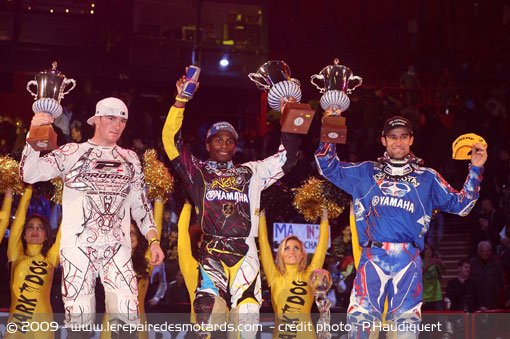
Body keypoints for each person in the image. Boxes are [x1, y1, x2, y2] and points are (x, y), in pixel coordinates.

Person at [314, 115, 487, 338]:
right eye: (393, 137)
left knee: (407, 327)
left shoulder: (428, 177)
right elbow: (326, 166)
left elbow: (462, 206)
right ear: (383, 140)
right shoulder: (366, 172)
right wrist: (333, 121)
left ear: (411, 140)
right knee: (360, 322)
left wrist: (476, 168)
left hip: (409, 259)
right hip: (372, 256)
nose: (398, 142)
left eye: (403, 137)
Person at [162, 70, 300, 339]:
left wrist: (290, 115)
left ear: (235, 146)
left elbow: (289, 158)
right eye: (218, 139)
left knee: (247, 327)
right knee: (207, 320)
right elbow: (171, 141)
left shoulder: (252, 172)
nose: (224, 144)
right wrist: (180, 101)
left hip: (245, 254)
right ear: (208, 143)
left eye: (229, 140)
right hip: (212, 252)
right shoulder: (197, 172)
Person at [19, 97, 164, 338]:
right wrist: (33, 133)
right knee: (80, 324)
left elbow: (141, 205)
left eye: (122, 120)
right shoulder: (72, 152)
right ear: (96, 120)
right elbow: (30, 173)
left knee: (127, 320)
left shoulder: (131, 159)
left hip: (117, 248)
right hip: (78, 248)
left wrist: (154, 239)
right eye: (111, 118)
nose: (117, 125)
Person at [0, 186, 62, 339]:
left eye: (40, 228)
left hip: (43, 325)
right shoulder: (15, 254)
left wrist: (69, 198)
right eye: (30, 227)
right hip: (17, 325)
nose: (35, 231)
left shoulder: (51, 259)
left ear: (47, 235)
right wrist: (25, 189)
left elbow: (64, 231)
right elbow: (18, 221)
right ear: (24, 233)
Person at [258, 208, 329, 339]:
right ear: (281, 254)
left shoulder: (309, 276)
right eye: (287, 248)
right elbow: (263, 241)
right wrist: (261, 212)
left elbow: (322, 245)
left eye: (296, 248)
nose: (292, 251)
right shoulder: (274, 277)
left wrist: (324, 215)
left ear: (302, 254)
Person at [421, 244, 445, 311]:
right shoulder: (420, 262)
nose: (429, 251)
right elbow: (420, 274)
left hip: (436, 296)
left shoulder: (435, 261)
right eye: (426, 249)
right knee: (427, 319)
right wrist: (430, 264)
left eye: (430, 249)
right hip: (425, 296)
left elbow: (444, 269)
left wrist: (440, 263)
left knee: (439, 319)